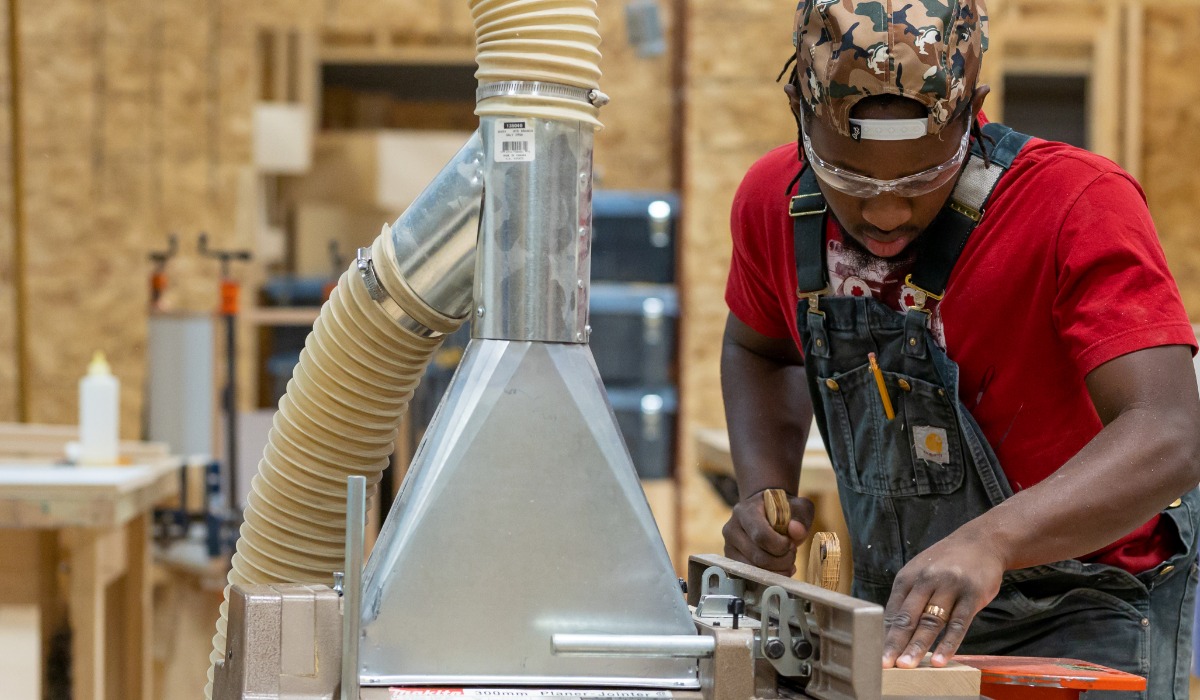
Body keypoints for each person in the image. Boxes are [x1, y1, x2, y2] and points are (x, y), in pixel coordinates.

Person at [719, 0, 1200, 697]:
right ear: (799, 112)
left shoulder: (1074, 204)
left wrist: (993, 540)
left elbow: (1170, 433)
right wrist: (766, 488)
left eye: (920, 180)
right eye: (850, 179)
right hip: (901, 614)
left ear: (970, 112)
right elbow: (758, 349)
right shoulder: (775, 204)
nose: (885, 212)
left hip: (1082, 610)